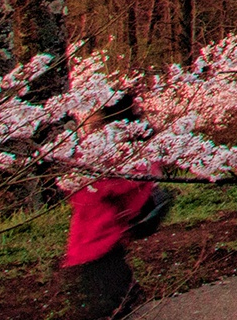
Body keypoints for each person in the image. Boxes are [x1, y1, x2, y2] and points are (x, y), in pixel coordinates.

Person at [58, 94, 170, 318]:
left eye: (96, 119)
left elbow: (100, 190)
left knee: (105, 296)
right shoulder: (124, 150)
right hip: (103, 234)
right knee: (109, 287)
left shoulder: (118, 154)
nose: (90, 124)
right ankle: (126, 297)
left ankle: (124, 301)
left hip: (100, 235)